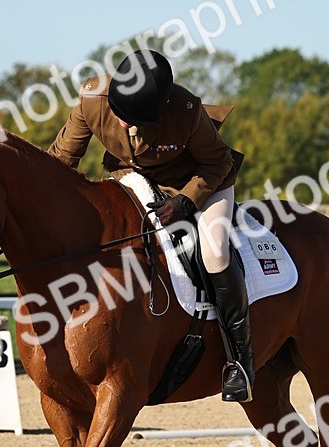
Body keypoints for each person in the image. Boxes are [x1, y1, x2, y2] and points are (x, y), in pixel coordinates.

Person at [48, 49, 255, 402]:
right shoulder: (92, 99)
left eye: (136, 119)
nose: (126, 124)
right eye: (121, 115)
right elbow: (61, 161)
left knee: (215, 251)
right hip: (136, 180)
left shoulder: (185, 111)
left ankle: (240, 361)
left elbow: (216, 163)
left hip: (201, 182)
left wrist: (184, 202)